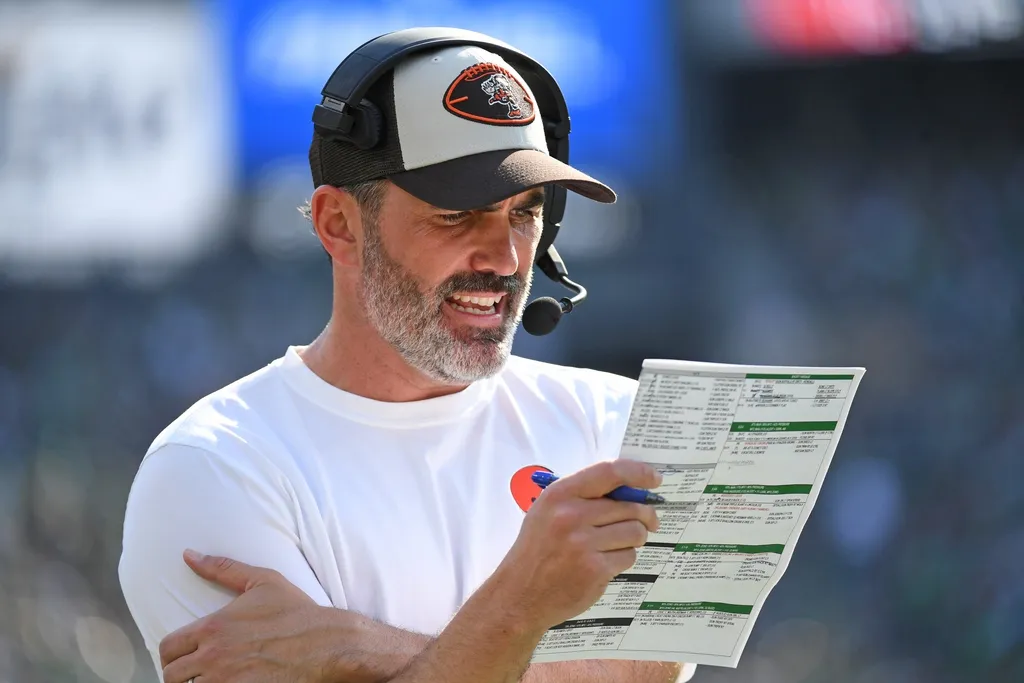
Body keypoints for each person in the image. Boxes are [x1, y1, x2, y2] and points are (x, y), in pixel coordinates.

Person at [118, 29, 697, 683]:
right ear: (339, 224)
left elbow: (650, 671)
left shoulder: (617, 423)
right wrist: (524, 603)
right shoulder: (213, 468)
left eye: (526, 212)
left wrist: (356, 646)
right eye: (457, 216)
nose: (506, 257)